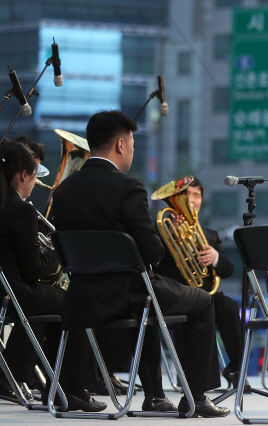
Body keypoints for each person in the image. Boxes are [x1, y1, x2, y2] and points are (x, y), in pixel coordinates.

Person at [51, 110, 229, 417]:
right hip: (129, 295)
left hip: (81, 298)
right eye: (132, 143)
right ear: (121, 144)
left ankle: (138, 394)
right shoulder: (128, 187)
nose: (132, 149)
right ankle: (196, 396)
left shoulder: (64, 189)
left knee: (156, 298)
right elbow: (151, 252)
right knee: (201, 300)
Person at [0, 141, 106, 412]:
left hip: (5, 294)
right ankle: (68, 389)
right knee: (77, 302)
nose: (35, 184)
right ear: (23, 175)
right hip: (16, 294)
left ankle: (58, 386)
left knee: (59, 303)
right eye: (35, 177)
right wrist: (57, 254)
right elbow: (33, 270)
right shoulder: (21, 210)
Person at [154, 177, 242, 384]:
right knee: (193, 308)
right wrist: (172, 238)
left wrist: (216, 258)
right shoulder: (161, 230)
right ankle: (190, 378)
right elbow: (154, 260)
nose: (192, 200)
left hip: (207, 294)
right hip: (177, 296)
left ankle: (237, 368)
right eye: (186, 195)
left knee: (228, 305)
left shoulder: (210, 235)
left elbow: (229, 269)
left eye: (197, 195)